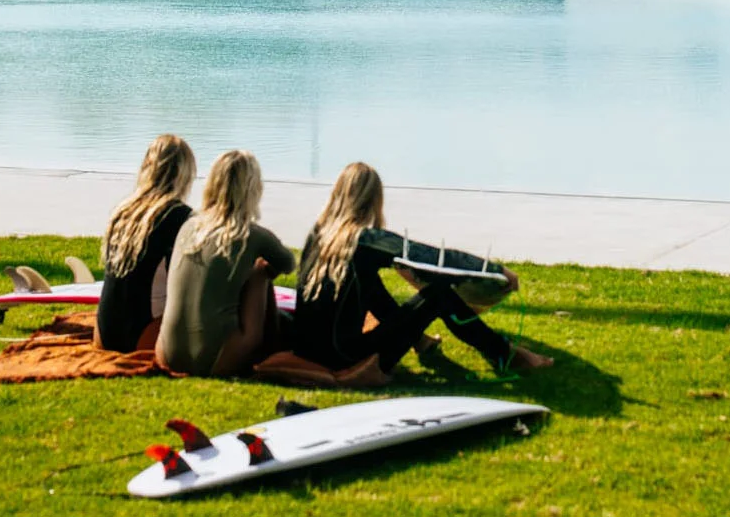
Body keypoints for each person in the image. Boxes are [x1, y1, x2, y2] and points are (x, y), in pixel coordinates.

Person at [289, 161, 552, 381]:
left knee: (368, 283)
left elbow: (372, 295)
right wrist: (496, 270)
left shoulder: (318, 235)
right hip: (345, 356)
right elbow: (436, 258)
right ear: (373, 200)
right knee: (439, 294)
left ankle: (420, 341)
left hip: (308, 351)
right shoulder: (366, 239)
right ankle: (503, 353)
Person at [156, 150, 294, 376]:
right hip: (215, 359)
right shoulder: (251, 234)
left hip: (167, 353)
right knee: (260, 270)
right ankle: (271, 346)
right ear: (252, 189)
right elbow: (288, 263)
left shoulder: (189, 227)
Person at [95, 133, 196, 352]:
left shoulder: (123, 211)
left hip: (104, 332)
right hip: (143, 336)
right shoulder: (180, 216)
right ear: (184, 174)